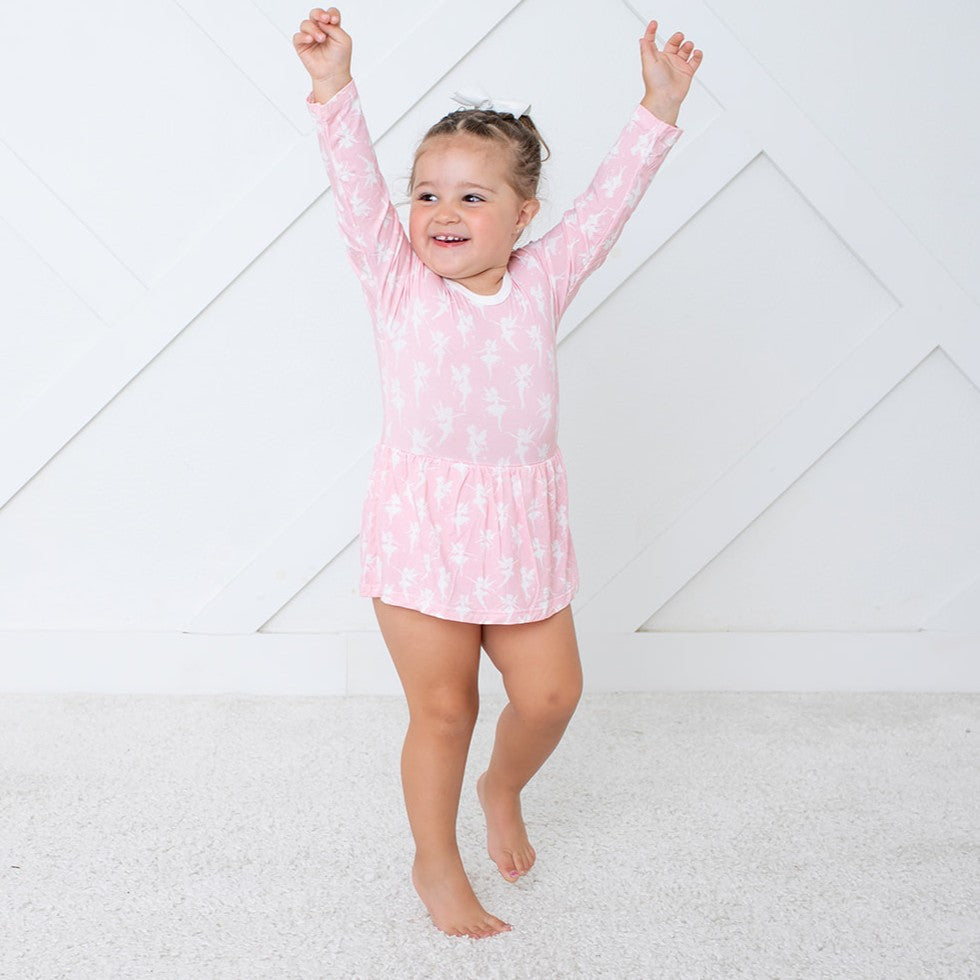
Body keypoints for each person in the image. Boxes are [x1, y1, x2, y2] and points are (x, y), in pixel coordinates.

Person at [293, 6, 702, 939]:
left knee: (552, 695)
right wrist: (332, 84)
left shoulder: (542, 280)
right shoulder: (397, 283)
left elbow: (609, 203)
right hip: (423, 526)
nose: (443, 213)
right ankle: (434, 861)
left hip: (519, 529)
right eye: (427, 194)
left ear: (524, 218)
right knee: (446, 709)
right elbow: (354, 185)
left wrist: (659, 106)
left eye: (473, 198)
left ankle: (502, 786)